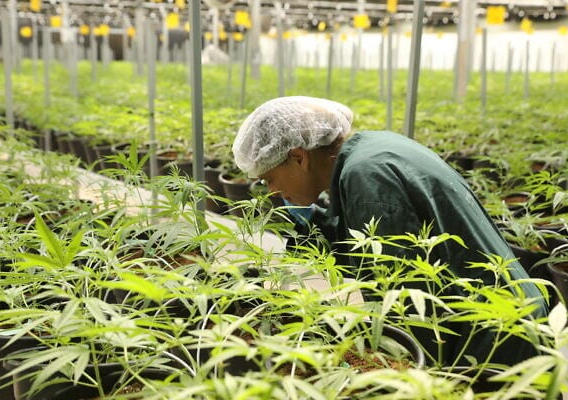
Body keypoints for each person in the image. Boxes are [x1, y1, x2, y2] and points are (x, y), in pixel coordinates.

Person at [231, 96, 548, 367]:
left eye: (269, 179)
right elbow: (364, 240)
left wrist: (401, 369)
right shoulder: (371, 150)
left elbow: (403, 298)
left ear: (299, 158)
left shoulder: (367, 178)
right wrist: (312, 223)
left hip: (494, 333)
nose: (272, 192)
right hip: (506, 312)